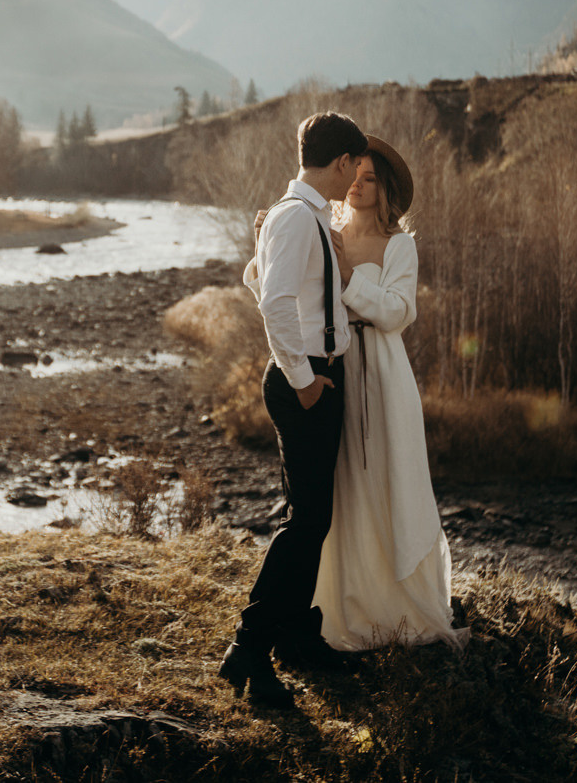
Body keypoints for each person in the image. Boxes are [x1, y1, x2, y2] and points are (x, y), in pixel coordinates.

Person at [217, 110, 367, 708]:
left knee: (314, 518)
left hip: (317, 375)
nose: (358, 175)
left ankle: (297, 636)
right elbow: (274, 304)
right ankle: (249, 646)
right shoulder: (294, 218)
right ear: (340, 162)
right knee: (306, 521)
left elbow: (261, 280)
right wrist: (305, 379)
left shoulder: (303, 218)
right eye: (355, 164)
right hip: (302, 381)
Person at [305, 137, 463, 651]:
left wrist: (349, 278)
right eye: (354, 173)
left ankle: (401, 609)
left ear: (385, 188)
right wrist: (266, 239)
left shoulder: (401, 246)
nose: (357, 184)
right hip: (334, 369)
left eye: (370, 178)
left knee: (390, 479)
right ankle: (346, 604)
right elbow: (291, 291)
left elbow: (396, 312)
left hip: (384, 374)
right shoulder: (323, 232)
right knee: (344, 483)